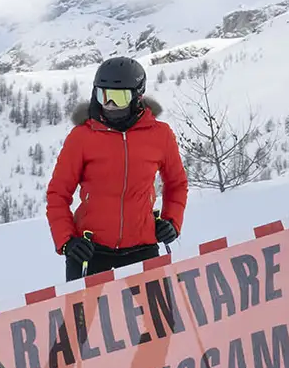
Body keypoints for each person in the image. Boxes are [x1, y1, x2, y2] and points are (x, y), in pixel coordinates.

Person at [46, 55, 190, 281]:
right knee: (82, 318)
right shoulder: (82, 137)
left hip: (142, 248)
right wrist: (67, 241)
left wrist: (172, 221)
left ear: (137, 96)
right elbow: (57, 194)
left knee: (157, 317)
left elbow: (177, 184)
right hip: (89, 250)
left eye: (118, 97)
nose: (109, 105)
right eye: (103, 95)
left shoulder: (160, 135)